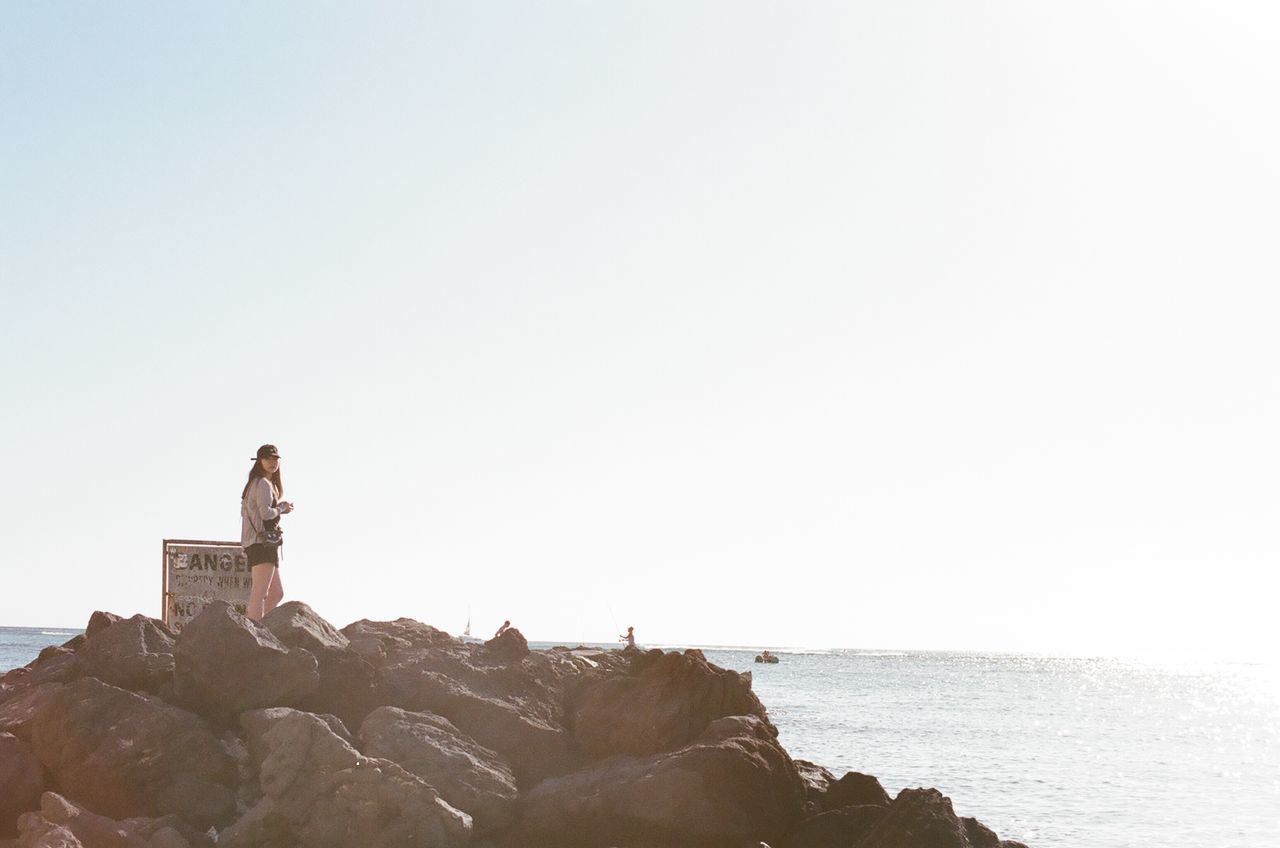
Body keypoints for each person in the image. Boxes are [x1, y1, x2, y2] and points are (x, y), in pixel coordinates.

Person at [241, 444, 294, 621]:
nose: (272, 462)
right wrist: (282, 508)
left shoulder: (256, 483)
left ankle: (261, 626)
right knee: (260, 593)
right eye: (267, 458)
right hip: (261, 543)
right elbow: (265, 513)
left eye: (275, 458)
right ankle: (254, 631)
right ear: (259, 461)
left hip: (257, 543)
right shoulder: (263, 483)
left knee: (276, 593)